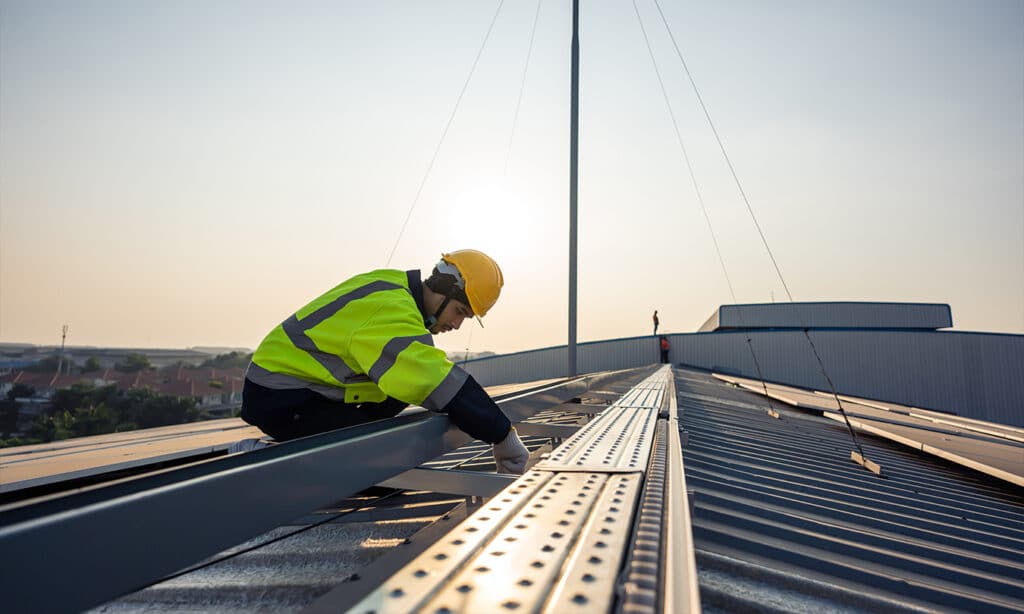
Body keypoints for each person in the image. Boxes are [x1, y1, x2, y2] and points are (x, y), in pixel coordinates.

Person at [235, 249, 530, 474]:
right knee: (379, 474)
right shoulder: (394, 310)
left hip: (302, 389)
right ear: (444, 289)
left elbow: (414, 380)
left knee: (395, 399)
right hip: (282, 395)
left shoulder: (394, 285)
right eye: (459, 311)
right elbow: (433, 378)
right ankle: (253, 462)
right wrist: (501, 434)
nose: (456, 324)